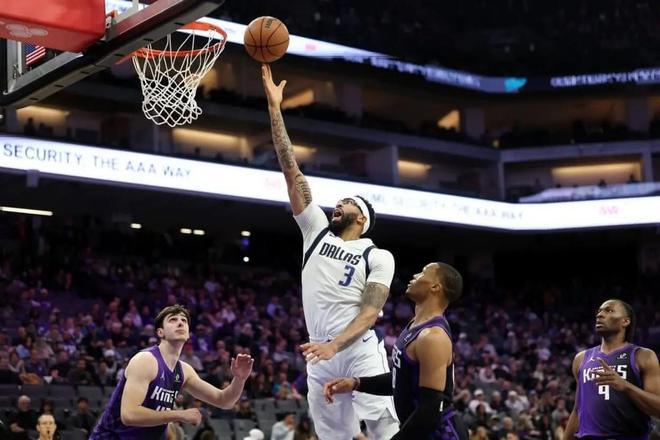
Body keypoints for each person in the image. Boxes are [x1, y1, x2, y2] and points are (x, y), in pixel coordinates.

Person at [262, 64, 398, 440]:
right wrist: (274, 108)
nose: (338, 203)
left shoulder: (377, 255)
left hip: (356, 349)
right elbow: (291, 170)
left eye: (347, 202)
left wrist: (334, 346)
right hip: (319, 352)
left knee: (386, 431)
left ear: (362, 219)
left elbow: (370, 312)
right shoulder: (316, 232)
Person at [323, 262, 469, 439]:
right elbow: (400, 379)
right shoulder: (416, 324)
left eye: (423, 273)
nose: (415, 276)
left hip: (441, 434)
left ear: (435, 287)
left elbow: (429, 411)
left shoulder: (433, 337)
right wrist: (357, 383)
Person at [90, 304, 254, 439]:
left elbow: (224, 401)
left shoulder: (184, 371)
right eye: (173, 320)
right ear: (160, 332)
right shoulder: (146, 360)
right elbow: (129, 415)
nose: (180, 323)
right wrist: (179, 415)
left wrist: (239, 379)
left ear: (188, 334)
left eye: (184, 320)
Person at [563, 299, 660, 439]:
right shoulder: (581, 359)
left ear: (625, 321)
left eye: (609, 310)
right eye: (599, 311)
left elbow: (657, 409)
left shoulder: (643, 356)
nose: (600, 315)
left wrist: (626, 386)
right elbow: (578, 410)